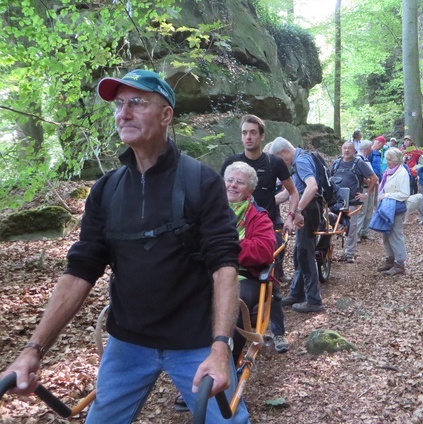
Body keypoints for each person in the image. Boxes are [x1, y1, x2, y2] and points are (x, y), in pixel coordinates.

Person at [0, 69, 250, 423]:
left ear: (166, 115)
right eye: (118, 104)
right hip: (128, 343)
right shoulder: (106, 190)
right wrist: (33, 350)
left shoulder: (201, 182)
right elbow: (81, 269)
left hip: (194, 342)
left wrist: (221, 346)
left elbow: (225, 264)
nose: (123, 112)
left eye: (137, 102)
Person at [220, 114, 301, 353]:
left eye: (253, 133)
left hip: (265, 223)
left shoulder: (273, 163)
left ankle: (277, 332)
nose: (248, 137)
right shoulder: (232, 163)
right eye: (244, 133)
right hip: (235, 221)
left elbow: (293, 192)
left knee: (270, 277)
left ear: (261, 136)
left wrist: (290, 216)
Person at [223, 162, 276, 361]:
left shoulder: (259, 217)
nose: (233, 185)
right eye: (230, 180)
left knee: (234, 302)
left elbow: (264, 250)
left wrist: (225, 247)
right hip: (208, 271)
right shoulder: (209, 211)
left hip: (245, 275)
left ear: (250, 190)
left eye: (240, 183)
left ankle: (229, 359)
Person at [270, 137, 325, 313]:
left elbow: (312, 187)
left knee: (305, 254)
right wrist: (264, 203)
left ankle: (314, 300)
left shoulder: (301, 161)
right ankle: (296, 292)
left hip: (308, 212)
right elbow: (287, 193)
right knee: (298, 253)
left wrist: (298, 211)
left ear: (284, 152)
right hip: (307, 210)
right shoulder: (298, 160)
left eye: (279, 159)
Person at [330, 142, 377, 263]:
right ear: (341, 149)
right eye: (344, 148)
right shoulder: (336, 163)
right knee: (331, 226)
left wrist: (366, 194)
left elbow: (374, 178)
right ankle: (328, 252)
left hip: (352, 201)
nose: (346, 150)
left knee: (352, 227)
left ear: (354, 150)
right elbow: (328, 178)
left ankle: (349, 253)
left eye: (349, 148)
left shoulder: (359, 163)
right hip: (335, 202)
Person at [375, 147, 410, 276]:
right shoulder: (389, 171)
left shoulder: (402, 173)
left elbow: (405, 194)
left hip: (396, 209)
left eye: (389, 159)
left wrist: (387, 195)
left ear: (396, 160)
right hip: (387, 208)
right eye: (387, 159)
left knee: (396, 235)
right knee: (386, 234)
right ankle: (390, 259)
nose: (387, 161)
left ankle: (400, 263)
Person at [356, 140, 379, 242]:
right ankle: (357, 234)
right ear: (367, 148)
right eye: (370, 147)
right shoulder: (358, 159)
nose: (371, 149)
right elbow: (357, 175)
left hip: (370, 189)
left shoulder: (366, 159)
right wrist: (369, 181)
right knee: (362, 212)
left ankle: (364, 232)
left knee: (369, 211)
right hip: (364, 189)